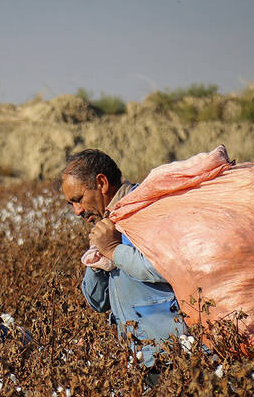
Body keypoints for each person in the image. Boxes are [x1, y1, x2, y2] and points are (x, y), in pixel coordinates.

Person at [60, 149, 185, 376]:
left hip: (172, 356)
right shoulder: (108, 223)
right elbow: (98, 302)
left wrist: (113, 251)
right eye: (71, 204)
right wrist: (99, 260)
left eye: (78, 200)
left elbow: (165, 267)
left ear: (102, 183)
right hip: (140, 358)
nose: (77, 211)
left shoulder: (145, 211)